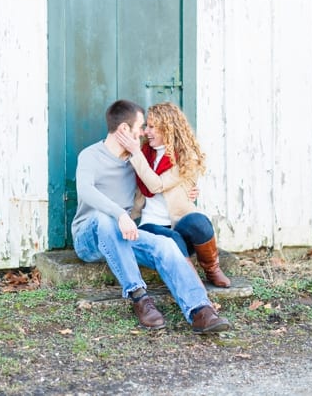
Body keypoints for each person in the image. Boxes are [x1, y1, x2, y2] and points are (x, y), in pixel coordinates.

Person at [71, 99, 230, 333]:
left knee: (165, 244)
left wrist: (190, 189)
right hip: (89, 237)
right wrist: (119, 215)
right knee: (105, 219)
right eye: (141, 127)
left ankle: (201, 311)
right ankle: (139, 297)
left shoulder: (137, 160)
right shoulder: (90, 155)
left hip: (122, 236)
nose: (145, 132)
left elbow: (164, 179)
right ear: (125, 130)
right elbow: (85, 189)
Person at [115, 101, 231, 287]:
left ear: (168, 129)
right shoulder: (142, 152)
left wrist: (136, 154)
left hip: (178, 223)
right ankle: (192, 285)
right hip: (150, 225)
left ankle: (212, 270)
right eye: (146, 126)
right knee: (172, 239)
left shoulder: (186, 157)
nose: (146, 132)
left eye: (153, 127)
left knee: (199, 222)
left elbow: (157, 185)